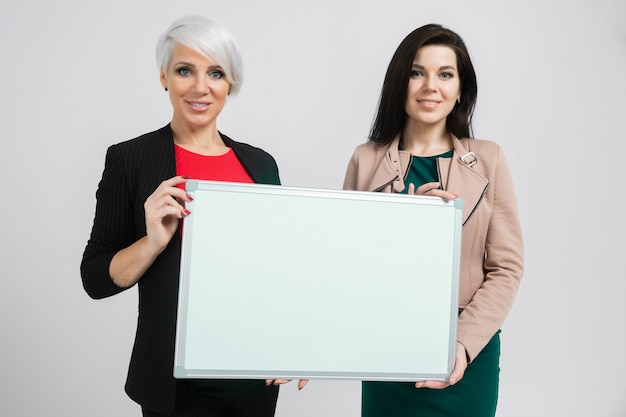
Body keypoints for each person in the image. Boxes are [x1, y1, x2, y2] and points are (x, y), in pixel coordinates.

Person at [81, 15, 302, 417]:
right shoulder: (130, 159)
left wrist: (291, 344)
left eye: (215, 73)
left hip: (253, 375)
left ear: (230, 83)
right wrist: (151, 243)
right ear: (164, 76)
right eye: (185, 70)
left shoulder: (260, 164)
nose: (201, 87)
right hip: (175, 384)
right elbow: (95, 279)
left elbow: (280, 273)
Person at [343, 24, 524, 417]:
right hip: (386, 347)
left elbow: (506, 268)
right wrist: (406, 217)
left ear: (461, 90)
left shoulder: (489, 159)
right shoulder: (365, 160)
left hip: (466, 353)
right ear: (399, 82)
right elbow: (349, 264)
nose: (431, 86)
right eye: (416, 72)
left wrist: (461, 344)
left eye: (445, 74)